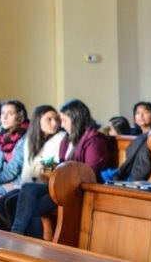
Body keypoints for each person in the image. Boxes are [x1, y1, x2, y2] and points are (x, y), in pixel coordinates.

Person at [11, 99, 114, 238]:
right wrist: (53, 169)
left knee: (35, 208)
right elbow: (63, 163)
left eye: (64, 120)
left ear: (76, 119)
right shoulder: (69, 138)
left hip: (80, 189)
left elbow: (90, 173)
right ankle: (16, 233)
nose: (62, 124)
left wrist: (61, 174)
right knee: (28, 188)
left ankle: (29, 243)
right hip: (64, 185)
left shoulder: (94, 140)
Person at [0, 104, 65, 227]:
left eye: (56, 119)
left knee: (24, 206)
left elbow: (52, 168)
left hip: (46, 187)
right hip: (27, 186)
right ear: (38, 120)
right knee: (1, 205)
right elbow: (27, 169)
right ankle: (18, 235)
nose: (54, 123)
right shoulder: (30, 139)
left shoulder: (60, 138)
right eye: (49, 119)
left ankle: (19, 235)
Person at [0, 100, 29, 197]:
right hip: (4, 180)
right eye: (3, 113)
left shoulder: (26, 136)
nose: (5, 117)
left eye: (10, 114)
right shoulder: (3, 135)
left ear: (19, 117)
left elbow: (14, 168)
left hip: (19, 182)